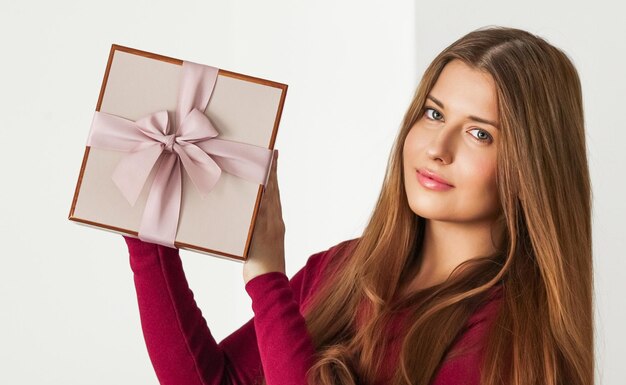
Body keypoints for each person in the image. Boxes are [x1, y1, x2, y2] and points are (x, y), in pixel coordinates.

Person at [122, 25, 593, 385]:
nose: (437, 147)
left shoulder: (510, 340)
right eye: (433, 114)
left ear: (531, 165)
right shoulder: (344, 267)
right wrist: (150, 233)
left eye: (479, 133)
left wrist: (267, 280)